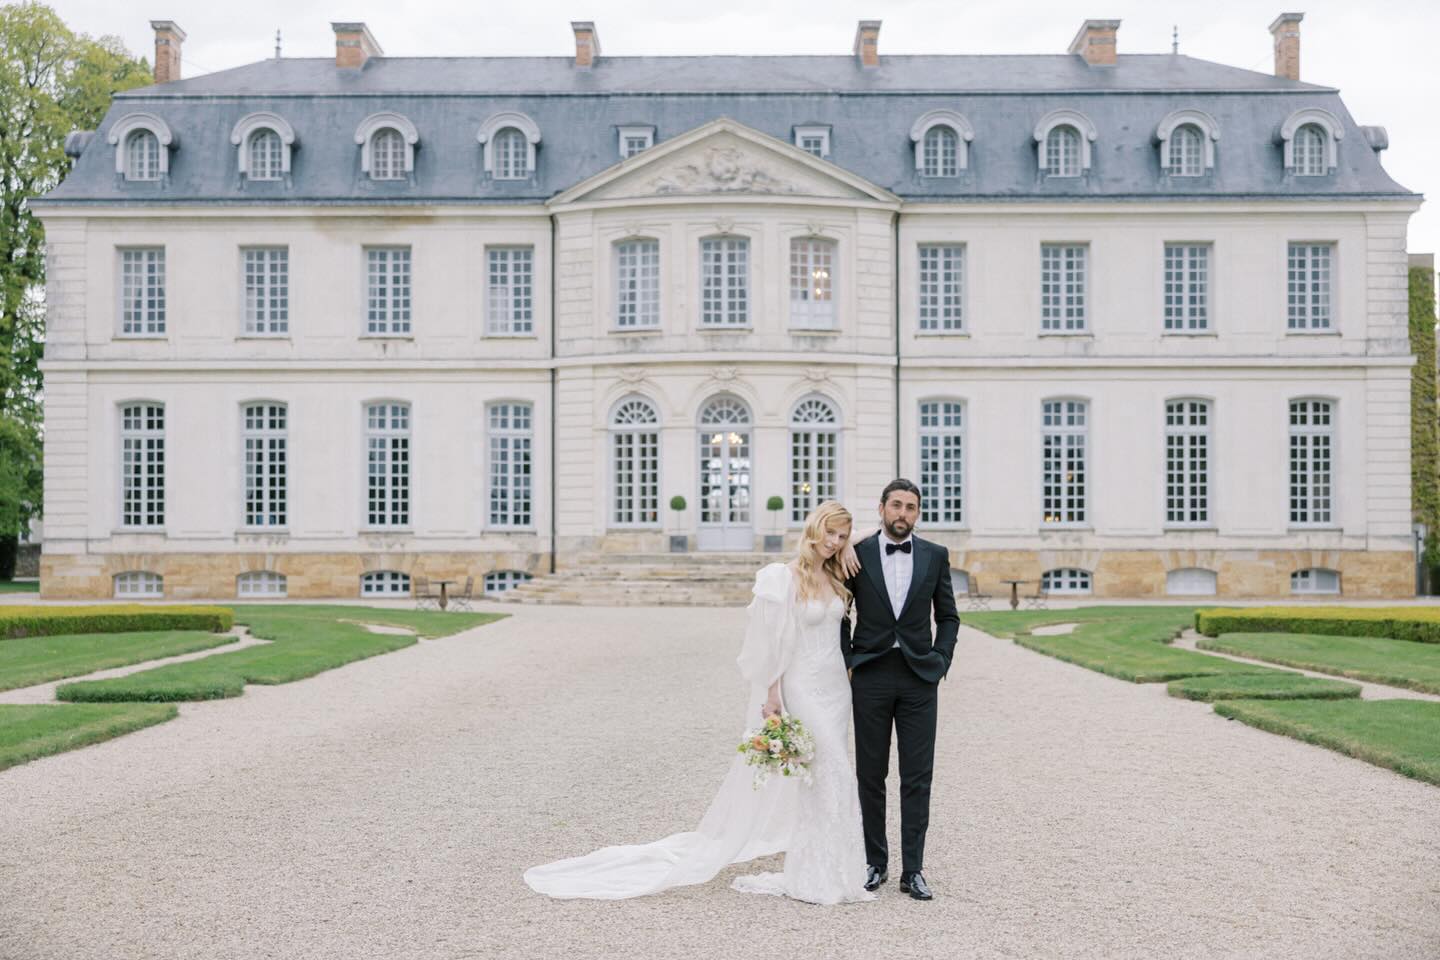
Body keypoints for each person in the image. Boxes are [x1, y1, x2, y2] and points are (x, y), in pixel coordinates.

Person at [522, 501, 874, 905]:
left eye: (842, 536)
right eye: (830, 532)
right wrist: (773, 694)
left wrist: (850, 543)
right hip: (803, 685)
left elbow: (877, 530)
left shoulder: (836, 573)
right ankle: (818, 876)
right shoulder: (784, 577)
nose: (835, 542)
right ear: (814, 529)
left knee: (823, 778)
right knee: (835, 771)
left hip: (835, 688)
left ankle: (829, 871)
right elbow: (773, 642)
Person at [841, 479, 959, 901]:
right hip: (870, 674)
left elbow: (948, 617)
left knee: (917, 776)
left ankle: (913, 870)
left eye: (910, 507)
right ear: (881, 508)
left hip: (918, 679)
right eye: (896, 505)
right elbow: (839, 611)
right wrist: (849, 660)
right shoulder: (857, 554)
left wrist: (941, 660)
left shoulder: (935, 556)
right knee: (870, 775)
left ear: (918, 513)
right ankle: (876, 863)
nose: (902, 514)